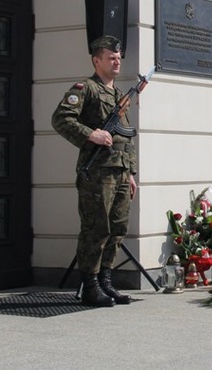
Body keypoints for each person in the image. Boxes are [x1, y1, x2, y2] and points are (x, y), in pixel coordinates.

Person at [52, 35, 136, 307]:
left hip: (120, 173)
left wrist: (131, 172)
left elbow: (127, 138)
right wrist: (92, 135)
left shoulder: (118, 95)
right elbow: (61, 119)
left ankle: (106, 283)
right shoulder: (85, 88)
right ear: (96, 60)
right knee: (96, 228)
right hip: (97, 173)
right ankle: (90, 286)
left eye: (119, 57)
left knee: (117, 229)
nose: (117, 61)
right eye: (111, 57)